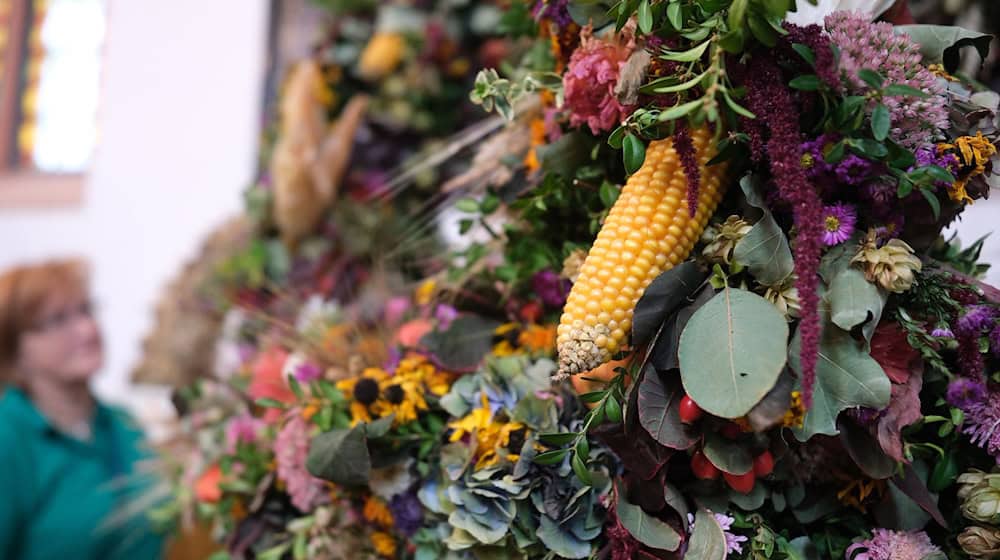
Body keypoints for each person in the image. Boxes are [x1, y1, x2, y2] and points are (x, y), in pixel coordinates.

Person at [0, 259, 163, 559]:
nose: (88, 329)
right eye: (58, 319)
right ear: (16, 350)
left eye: (87, 310)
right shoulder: (9, 438)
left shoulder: (123, 424)